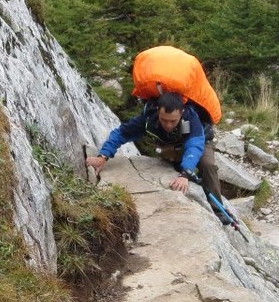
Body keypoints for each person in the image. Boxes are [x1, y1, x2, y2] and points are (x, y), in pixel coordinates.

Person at [87, 91, 229, 217]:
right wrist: (103, 156)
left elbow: (194, 146)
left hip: (201, 141)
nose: (168, 125)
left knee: (207, 165)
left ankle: (218, 211)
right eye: (164, 120)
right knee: (174, 166)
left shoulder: (190, 118)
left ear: (181, 112)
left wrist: (186, 173)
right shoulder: (150, 117)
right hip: (172, 146)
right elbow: (122, 133)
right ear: (158, 111)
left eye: (173, 121)